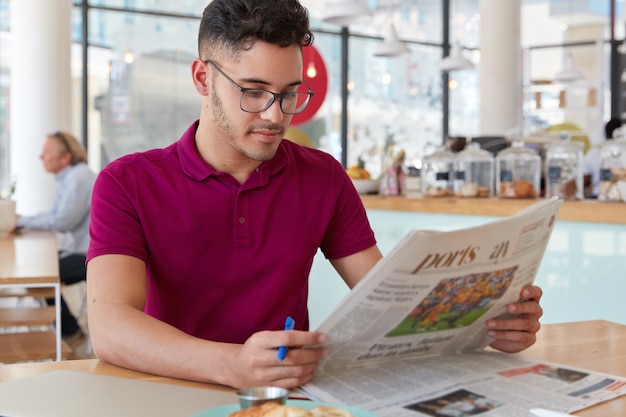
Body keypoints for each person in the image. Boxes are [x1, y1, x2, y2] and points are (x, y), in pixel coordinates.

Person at [86, 0, 544, 389]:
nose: (275, 115)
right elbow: (109, 328)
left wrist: (486, 327)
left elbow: (390, 303)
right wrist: (234, 365)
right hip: (164, 395)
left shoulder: (322, 176)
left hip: (285, 400)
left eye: (289, 94)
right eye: (253, 92)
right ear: (203, 79)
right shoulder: (126, 182)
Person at [17, 130, 96, 358]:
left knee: (41, 276)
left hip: (89, 254)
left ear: (65, 158)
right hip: (80, 248)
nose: (41, 157)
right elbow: (56, 215)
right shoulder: (68, 177)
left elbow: (62, 221)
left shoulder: (78, 178)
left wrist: (22, 221)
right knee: (38, 273)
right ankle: (65, 332)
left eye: (46, 153)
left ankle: (72, 337)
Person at [583, 118, 622, 198]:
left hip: (598, 197)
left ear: (605, 134)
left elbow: (583, 181)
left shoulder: (594, 153)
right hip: (620, 197)